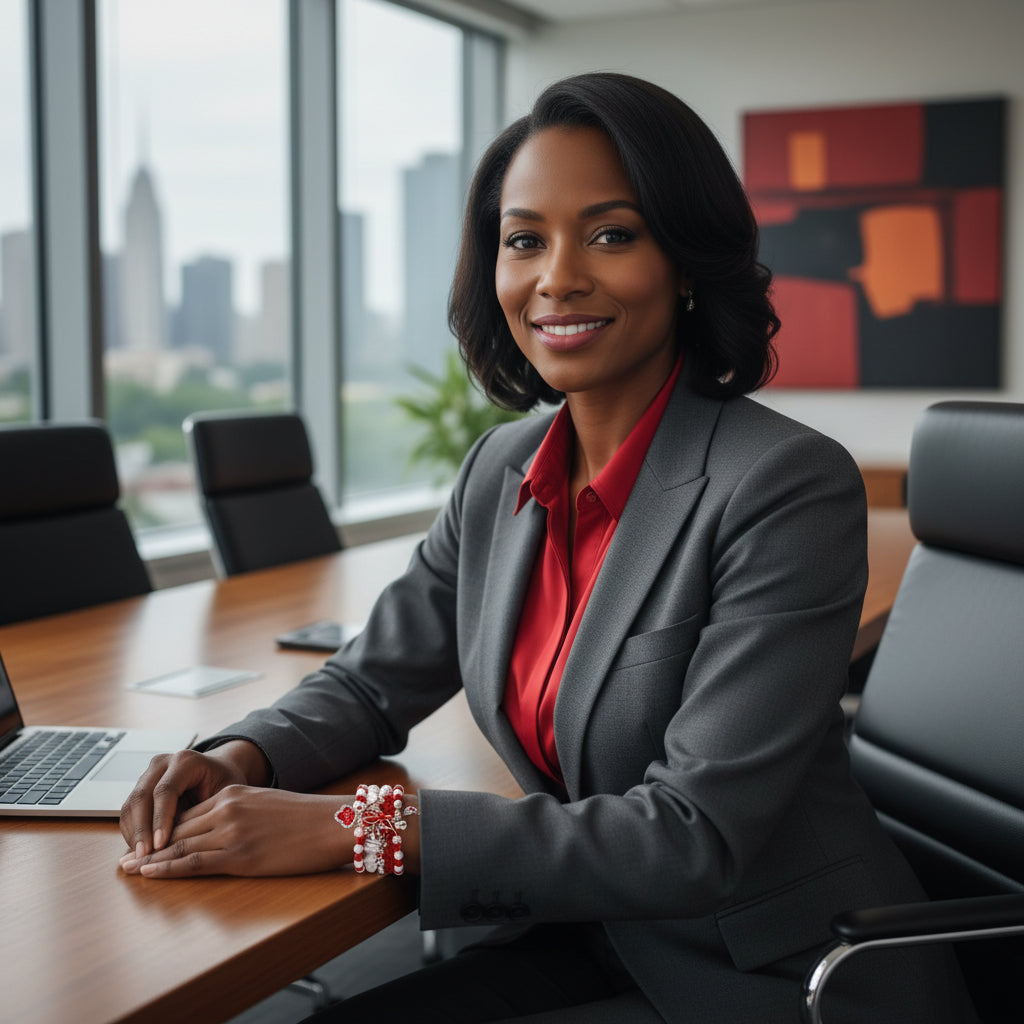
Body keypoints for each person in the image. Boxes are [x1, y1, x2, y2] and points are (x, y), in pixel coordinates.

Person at [119, 73, 973, 1023]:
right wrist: (243, 755)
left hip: (771, 975)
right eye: (524, 240)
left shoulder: (784, 485)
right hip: (594, 929)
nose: (556, 277)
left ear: (686, 263)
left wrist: (358, 828)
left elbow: (689, 836)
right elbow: (372, 681)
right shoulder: (502, 469)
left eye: (612, 235)